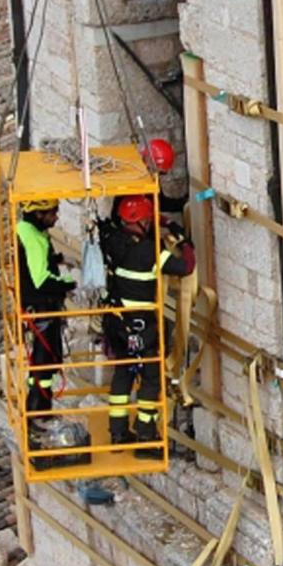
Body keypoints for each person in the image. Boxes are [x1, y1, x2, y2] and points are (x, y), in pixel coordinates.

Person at [100, 193, 194, 459]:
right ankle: (146, 435)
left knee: (123, 373)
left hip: (117, 322)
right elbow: (185, 267)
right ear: (141, 222)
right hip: (141, 324)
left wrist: (162, 220)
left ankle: (118, 432)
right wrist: (186, 242)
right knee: (151, 377)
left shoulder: (113, 241)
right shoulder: (148, 251)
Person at [15, 201, 76, 426]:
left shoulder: (28, 229)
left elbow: (34, 264)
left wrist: (57, 260)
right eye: (53, 213)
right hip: (42, 307)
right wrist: (69, 285)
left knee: (44, 363)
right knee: (44, 362)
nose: (57, 218)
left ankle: (40, 410)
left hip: (37, 308)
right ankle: (37, 412)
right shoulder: (33, 238)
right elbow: (41, 280)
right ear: (39, 213)